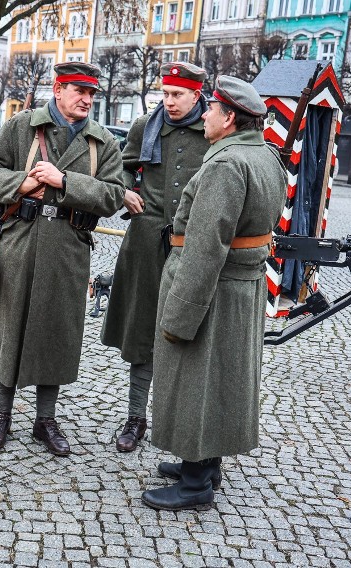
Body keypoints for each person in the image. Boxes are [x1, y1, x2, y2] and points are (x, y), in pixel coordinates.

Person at [143, 76, 287, 511]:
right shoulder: (265, 155)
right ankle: (204, 463)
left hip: (213, 289)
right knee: (219, 382)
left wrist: (180, 315)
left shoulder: (226, 165)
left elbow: (205, 247)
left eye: (211, 109)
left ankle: (194, 485)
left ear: (229, 118)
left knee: (195, 382)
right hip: (239, 287)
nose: (203, 114)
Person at [0, 62, 125, 457]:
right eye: (79, 91)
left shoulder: (102, 141)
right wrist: (20, 183)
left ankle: (45, 420)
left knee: (55, 333)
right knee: (11, 327)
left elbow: (113, 196)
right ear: (58, 90)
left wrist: (65, 182)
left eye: (92, 94)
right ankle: (1, 415)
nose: (87, 100)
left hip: (67, 250)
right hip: (19, 243)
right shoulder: (23, 127)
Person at [100, 62, 210, 452]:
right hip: (146, 243)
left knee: (188, 331)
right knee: (143, 329)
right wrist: (126, 192)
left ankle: (179, 419)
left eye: (177, 95)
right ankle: (135, 418)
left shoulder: (212, 131)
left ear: (197, 94)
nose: (170, 102)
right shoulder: (145, 128)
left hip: (193, 247)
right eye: (165, 94)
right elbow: (122, 169)